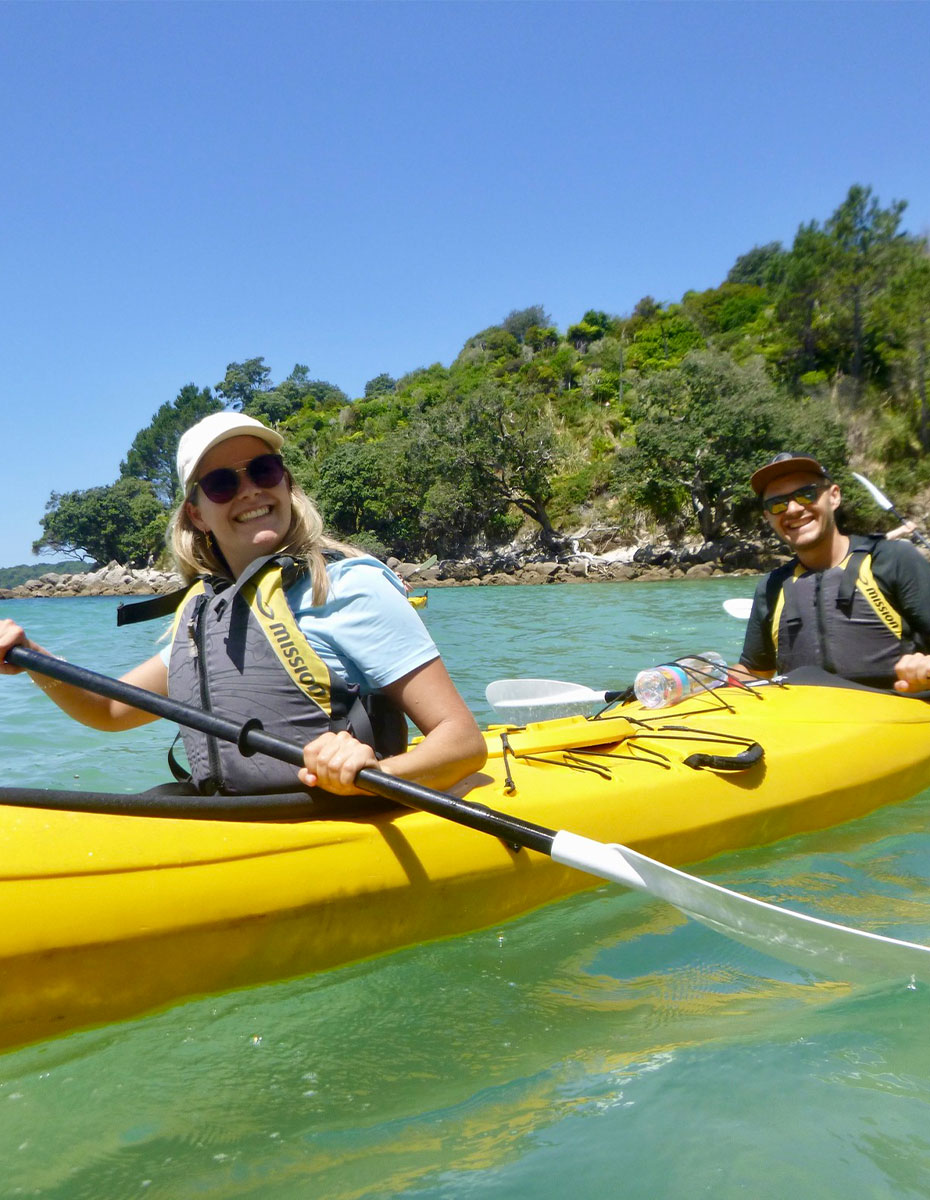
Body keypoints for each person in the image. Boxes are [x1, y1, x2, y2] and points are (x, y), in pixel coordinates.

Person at [0, 412, 487, 795]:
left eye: (264, 469)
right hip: (238, 819)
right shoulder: (206, 618)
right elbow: (109, 709)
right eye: (222, 483)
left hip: (332, 825)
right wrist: (35, 660)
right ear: (197, 513)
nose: (251, 489)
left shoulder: (347, 587)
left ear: (286, 483)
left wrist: (373, 772)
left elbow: (462, 744)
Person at [736, 452, 930, 693]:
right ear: (768, 517)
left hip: (898, 718)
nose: (793, 509)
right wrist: (691, 678)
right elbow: (754, 672)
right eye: (777, 504)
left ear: (834, 496)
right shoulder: (772, 587)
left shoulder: (892, 560)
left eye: (806, 494)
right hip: (811, 724)